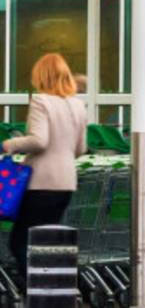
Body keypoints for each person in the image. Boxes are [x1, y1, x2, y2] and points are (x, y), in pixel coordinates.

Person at [2, 54, 88, 271]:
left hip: (41, 183)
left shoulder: (41, 101)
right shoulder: (78, 105)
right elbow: (80, 148)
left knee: (20, 243)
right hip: (66, 182)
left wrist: (9, 144)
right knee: (46, 243)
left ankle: (38, 292)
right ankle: (55, 288)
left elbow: (39, 141)